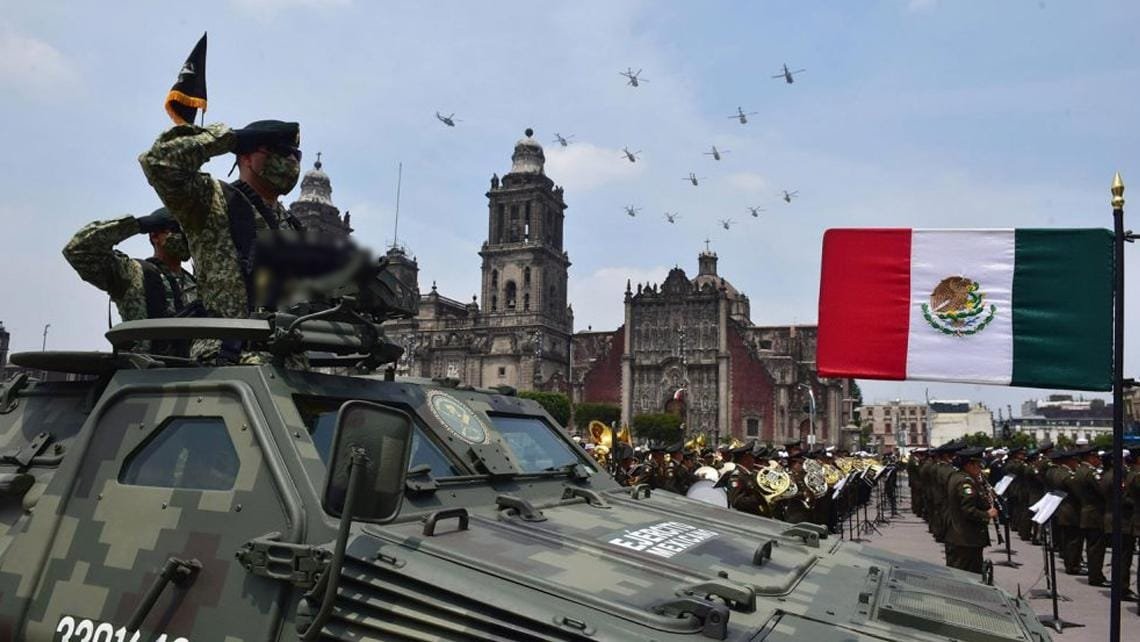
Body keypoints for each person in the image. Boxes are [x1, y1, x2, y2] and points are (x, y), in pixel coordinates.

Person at [139, 119, 304, 363]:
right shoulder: (211, 200)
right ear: (246, 156)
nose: (291, 160)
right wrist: (229, 139)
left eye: (296, 155)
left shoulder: (291, 225)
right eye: (279, 151)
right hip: (228, 357)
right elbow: (158, 162)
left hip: (289, 360)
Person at [62, 207, 196, 355]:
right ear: (155, 236)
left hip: (198, 367)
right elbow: (77, 250)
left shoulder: (198, 284)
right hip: (148, 367)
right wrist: (138, 225)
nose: (184, 236)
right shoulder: (134, 273)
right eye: (176, 230)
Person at [945, 447, 996, 574]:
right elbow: (968, 510)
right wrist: (987, 514)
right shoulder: (965, 482)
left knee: (961, 573)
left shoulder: (958, 476)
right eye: (978, 465)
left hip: (962, 537)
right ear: (969, 465)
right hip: (966, 538)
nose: (980, 469)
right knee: (967, 574)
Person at [1071, 445, 1107, 586]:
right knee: (1096, 548)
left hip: (1086, 511)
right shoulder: (1090, 473)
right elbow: (1101, 492)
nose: (1098, 460)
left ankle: (1094, 574)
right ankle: (1096, 576)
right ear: (1090, 458)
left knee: (1091, 547)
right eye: (1096, 457)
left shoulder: (1079, 471)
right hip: (1095, 513)